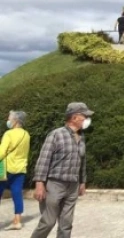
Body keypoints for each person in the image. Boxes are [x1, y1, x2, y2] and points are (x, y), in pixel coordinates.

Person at [31, 102, 93, 238]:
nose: (87, 120)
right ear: (74, 117)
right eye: (85, 116)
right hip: (54, 184)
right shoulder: (56, 134)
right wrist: (39, 184)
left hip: (73, 185)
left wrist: (82, 182)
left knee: (66, 224)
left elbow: (82, 162)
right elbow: (43, 160)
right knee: (48, 222)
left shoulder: (81, 138)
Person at [0, 111, 30, 230]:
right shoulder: (26, 135)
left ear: (16, 121)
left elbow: (2, 152)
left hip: (6, 169)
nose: (8, 121)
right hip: (20, 168)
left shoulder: (9, 134)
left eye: (9, 119)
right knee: (17, 194)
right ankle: (17, 221)